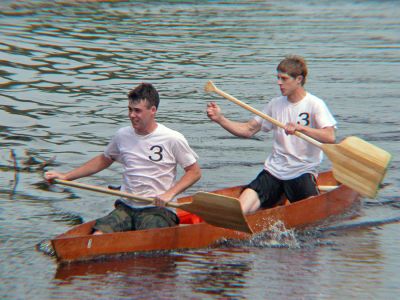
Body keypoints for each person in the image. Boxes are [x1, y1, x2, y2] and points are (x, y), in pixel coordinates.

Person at [45, 83, 201, 234]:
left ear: (152, 110)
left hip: (157, 209)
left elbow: (194, 172)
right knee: (98, 235)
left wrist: (169, 194)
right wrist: (66, 176)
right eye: (130, 109)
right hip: (126, 206)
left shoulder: (172, 138)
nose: (132, 115)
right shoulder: (122, 135)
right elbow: (104, 160)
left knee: (147, 240)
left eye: (137, 111)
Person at [207, 55, 336, 214]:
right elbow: (248, 130)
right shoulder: (275, 104)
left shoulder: (315, 104)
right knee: (240, 209)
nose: (279, 83)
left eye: (284, 78)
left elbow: (329, 136)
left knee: (313, 214)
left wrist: (302, 129)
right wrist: (220, 119)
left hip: (302, 171)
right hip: (274, 171)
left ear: (299, 79)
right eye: (278, 78)